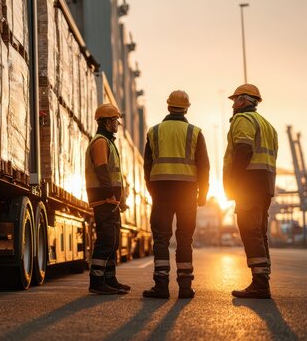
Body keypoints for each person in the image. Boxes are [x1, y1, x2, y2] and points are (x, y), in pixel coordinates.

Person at [142, 90, 210, 299]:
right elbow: (204, 166)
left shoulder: (154, 132)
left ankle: (161, 287)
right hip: (187, 192)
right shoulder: (195, 132)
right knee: (184, 239)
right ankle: (185, 288)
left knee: (161, 239)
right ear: (186, 108)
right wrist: (202, 194)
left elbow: (147, 166)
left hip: (161, 191)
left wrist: (152, 191)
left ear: (168, 106)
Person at [223, 83, 278, 299]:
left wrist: (236, 183)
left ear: (244, 100)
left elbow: (243, 150)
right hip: (265, 184)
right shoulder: (267, 125)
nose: (233, 104)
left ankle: (260, 284)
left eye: (235, 100)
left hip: (249, 184)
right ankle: (263, 279)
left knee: (249, 230)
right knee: (260, 232)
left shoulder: (243, 120)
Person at [85, 103, 130, 295]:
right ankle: (97, 281)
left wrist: (121, 199)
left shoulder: (108, 141)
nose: (117, 124)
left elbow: (114, 174)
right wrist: (110, 194)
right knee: (106, 240)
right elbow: (102, 170)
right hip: (104, 200)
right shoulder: (101, 141)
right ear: (106, 122)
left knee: (113, 241)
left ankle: (110, 279)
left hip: (111, 201)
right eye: (115, 120)